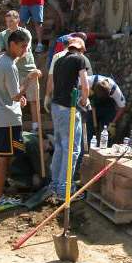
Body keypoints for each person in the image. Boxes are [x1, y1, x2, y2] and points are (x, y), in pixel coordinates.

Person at [0, 29, 39, 208]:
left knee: (8, 155)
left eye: (26, 47)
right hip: (9, 120)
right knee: (5, 158)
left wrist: (13, 97)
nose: (25, 51)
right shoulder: (9, 65)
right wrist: (29, 77)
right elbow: (15, 95)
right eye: (23, 46)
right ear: (12, 44)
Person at [48, 37, 89, 202]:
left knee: (59, 148)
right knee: (71, 150)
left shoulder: (59, 60)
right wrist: (84, 100)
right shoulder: (79, 59)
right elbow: (85, 86)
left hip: (56, 107)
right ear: (80, 49)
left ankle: (55, 185)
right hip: (68, 109)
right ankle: (65, 191)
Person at [0, 10, 41, 131]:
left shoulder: (25, 33)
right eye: (7, 21)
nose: (8, 24)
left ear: (17, 21)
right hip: (13, 71)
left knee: (33, 100)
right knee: (13, 98)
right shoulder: (2, 35)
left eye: (11, 21)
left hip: (29, 69)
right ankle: (14, 125)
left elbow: (25, 51)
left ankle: (36, 127)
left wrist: (13, 61)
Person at [86, 74, 126, 146]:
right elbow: (76, 83)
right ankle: (89, 150)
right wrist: (86, 91)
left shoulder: (115, 90)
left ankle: (105, 151)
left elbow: (122, 107)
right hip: (94, 106)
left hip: (108, 108)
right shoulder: (90, 80)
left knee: (107, 133)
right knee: (89, 130)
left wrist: (113, 123)